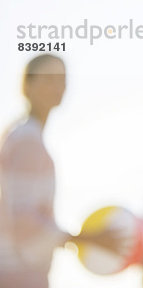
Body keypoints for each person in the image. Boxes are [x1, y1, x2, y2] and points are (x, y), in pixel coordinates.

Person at [0, 54, 122, 288]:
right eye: (48, 78)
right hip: (17, 274)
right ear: (28, 85)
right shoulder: (27, 141)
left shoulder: (21, 136)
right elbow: (24, 221)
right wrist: (88, 239)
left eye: (62, 79)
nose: (57, 86)